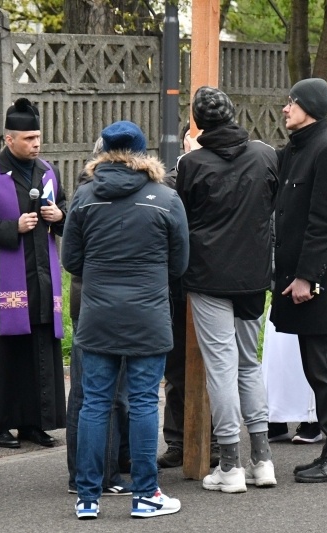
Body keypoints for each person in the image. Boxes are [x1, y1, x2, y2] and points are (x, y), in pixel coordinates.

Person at [62, 121, 188, 519]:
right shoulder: (166, 198)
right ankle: (146, 494)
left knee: (94, 404)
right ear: (142, 153)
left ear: (102, 151)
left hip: (97, 316)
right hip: (148, 315)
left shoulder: (84, 197)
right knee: (144, 401)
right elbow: (180, 263)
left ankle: (87, 498)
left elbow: (71, 261)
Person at [175, 86, 278, 493]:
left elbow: (181, 217)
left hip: (209, 275)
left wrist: (189, 153)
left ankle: (231, 465)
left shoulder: (192, 163)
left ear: (198, 123)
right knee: (249, 364)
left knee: (221, 366)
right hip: (253, 275)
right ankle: (264, 460)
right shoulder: (266, 153)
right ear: (234, 114)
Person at [0, 98, 67, 448]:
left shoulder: (48, 171)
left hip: (43, 277)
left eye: (38, 137)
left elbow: (67, 214)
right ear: (9, 140)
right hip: (7, 281)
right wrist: (13, 227)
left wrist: (61, 217)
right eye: (28, 138)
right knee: (2, 354)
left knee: (39, 349)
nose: (36, 144)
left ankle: (34, 423)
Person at [270, 77, 327, 483]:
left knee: (325, 367)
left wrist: (306, 277)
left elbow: (324, 224)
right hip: (296, 277)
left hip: (316, 281)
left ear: (310, 107)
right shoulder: (295, 151)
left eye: (292, 102)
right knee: (316, 367)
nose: (285, 108)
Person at [66, 137, 131, 496]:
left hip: (87, 302)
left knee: (89, 391)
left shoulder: (83, 194)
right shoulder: (148, 196)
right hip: (124, 305)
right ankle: (102, 473)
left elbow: (71, 257)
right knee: (111, 393)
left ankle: (87, 473)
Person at [157, 124, 219, 470]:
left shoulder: (224, 174)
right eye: (189, 135)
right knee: (177, 369)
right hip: (176, 287)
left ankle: (214, 438)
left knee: (214, 366)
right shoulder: (168, 182)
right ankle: (178, 439)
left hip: (212, 282)